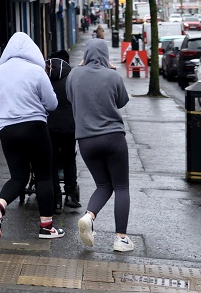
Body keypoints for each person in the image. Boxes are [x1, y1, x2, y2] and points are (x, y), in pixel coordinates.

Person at [0, 32, 64, 240]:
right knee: (44, 175)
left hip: (6, 130)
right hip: (34, 127)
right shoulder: (36, 72)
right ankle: (47, 228)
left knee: (18, 177)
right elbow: (52, 104)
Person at [67, 38, 133, 253]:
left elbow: (71, 98)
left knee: (103, 185)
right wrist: (111, 70)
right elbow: (122, 101)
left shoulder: (74, 75)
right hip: (113, 138)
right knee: (121, 187)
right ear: (105, 55)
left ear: (85, 55)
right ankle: (120, 239)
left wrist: (80, 69)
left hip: (86, 140)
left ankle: (89, 216)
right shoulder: (112, 76)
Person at [46, 50, 80, 210]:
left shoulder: (46, 78)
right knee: (69, 159)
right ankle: (71, 195)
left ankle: (56, 199)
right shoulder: (73, 78)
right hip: (70, 126)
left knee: (52, 160)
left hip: (50, 126)